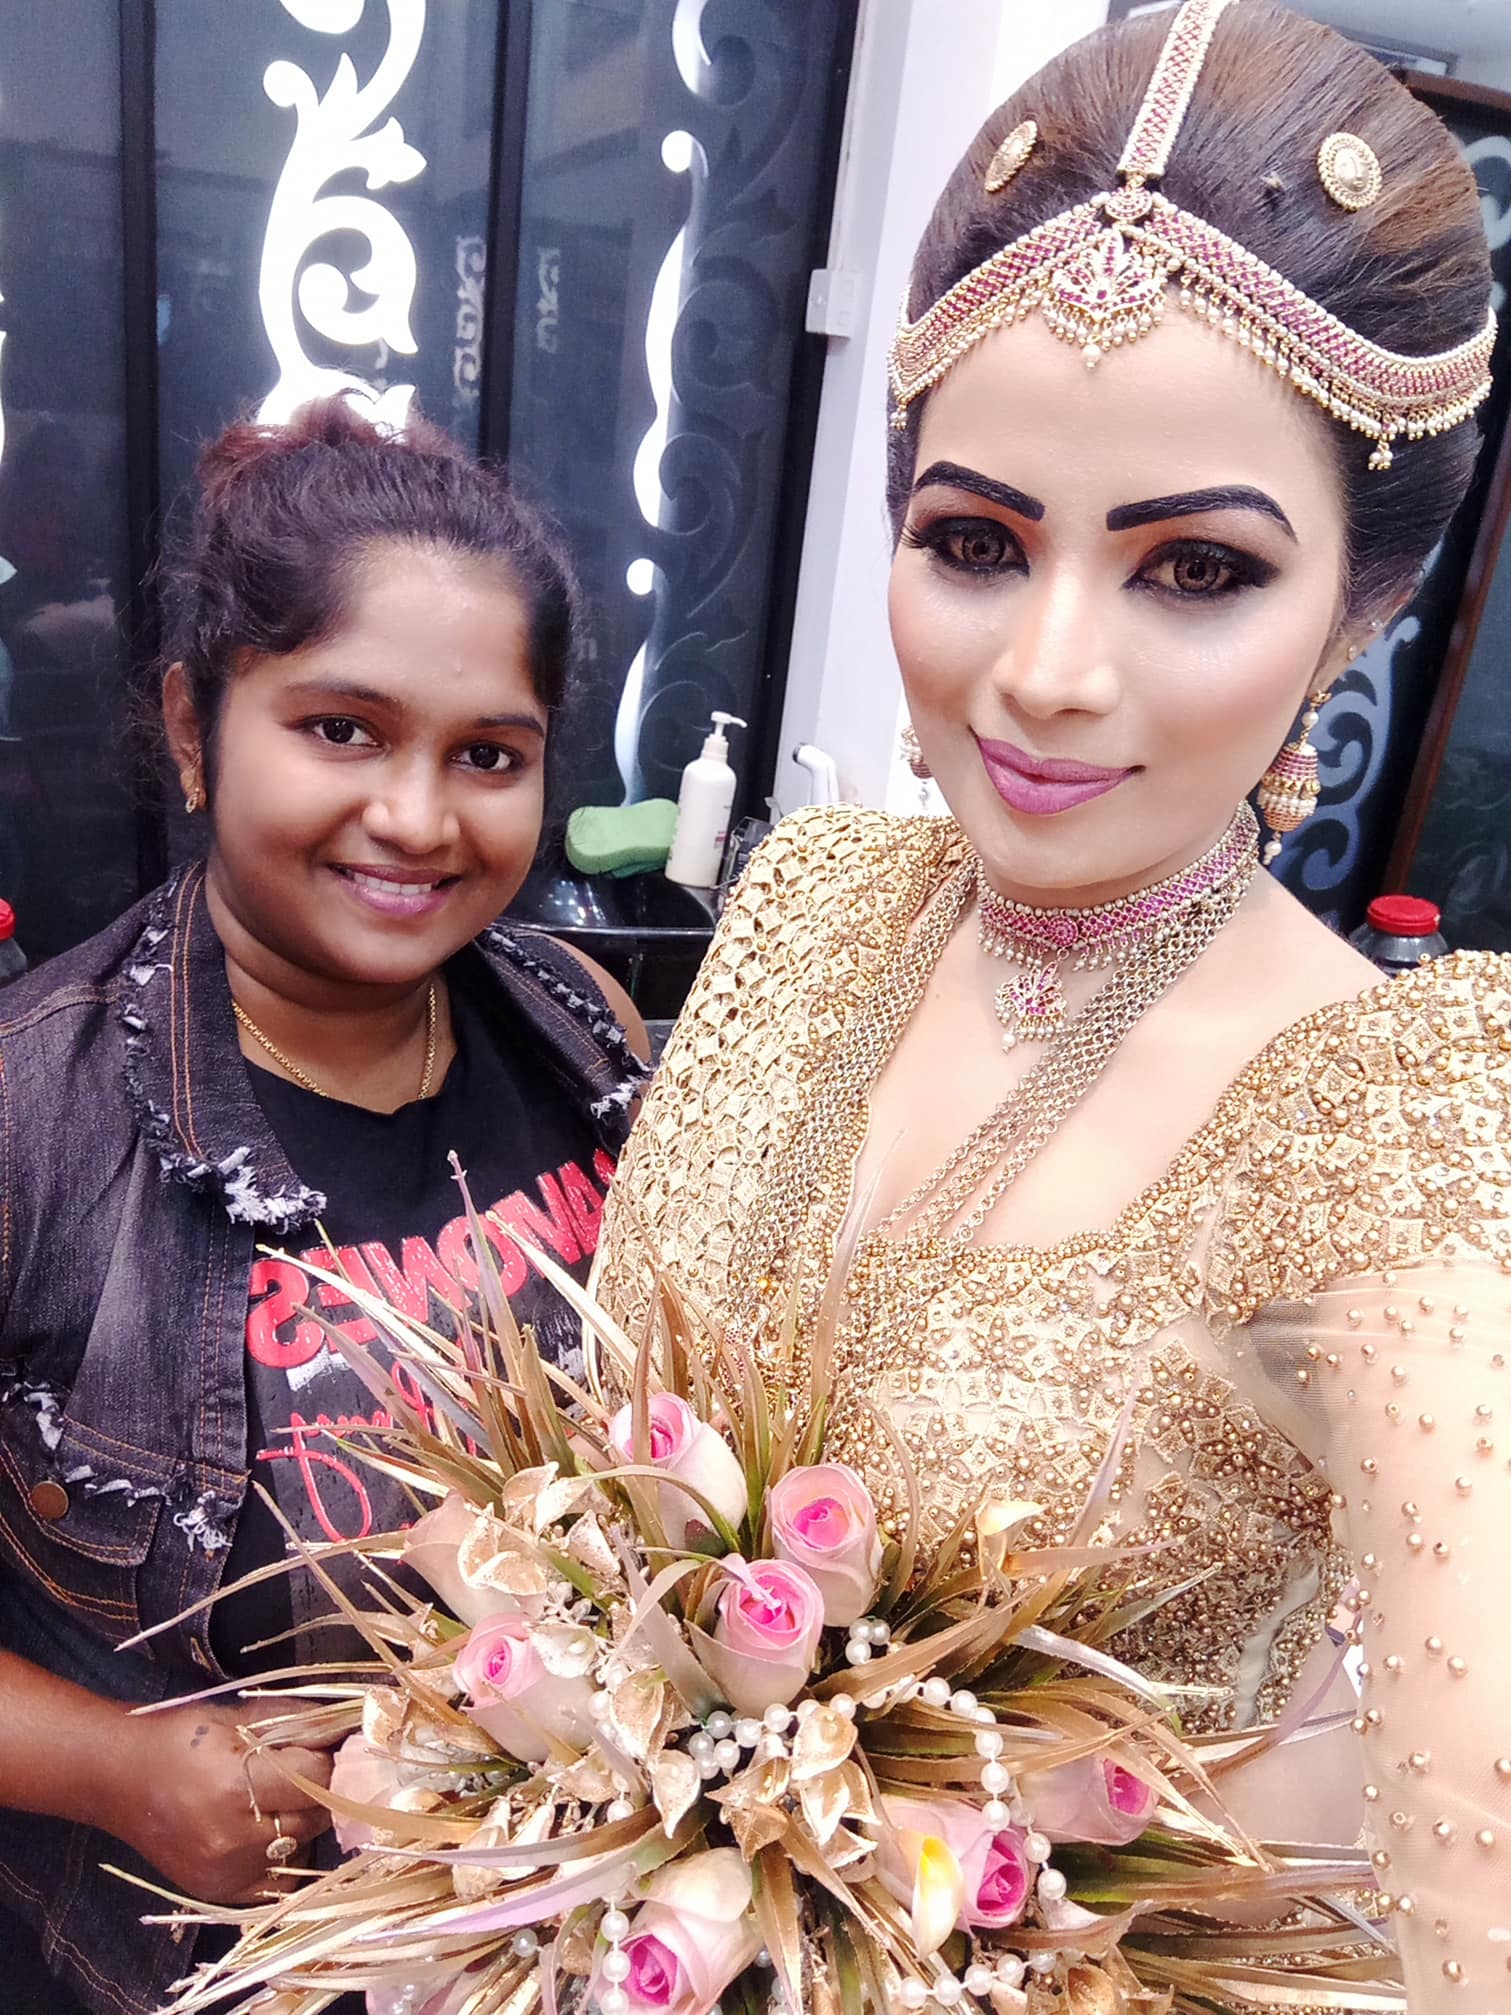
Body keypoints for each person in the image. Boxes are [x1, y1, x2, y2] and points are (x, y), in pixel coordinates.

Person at [598, 3, 1509, 2007]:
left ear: (1360, 605)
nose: (1046, 674)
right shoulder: (816, 904)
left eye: (1195, 571)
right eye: (975, 543)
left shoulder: (1397, 1112)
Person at [0, 397, 648, 2015]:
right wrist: (119, 1770)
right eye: (343, 729)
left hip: (567, 1936)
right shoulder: (31, 1119)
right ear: (194, 723)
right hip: (194, 1963)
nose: (419, 819)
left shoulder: (584, 1033)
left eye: (487, 755)